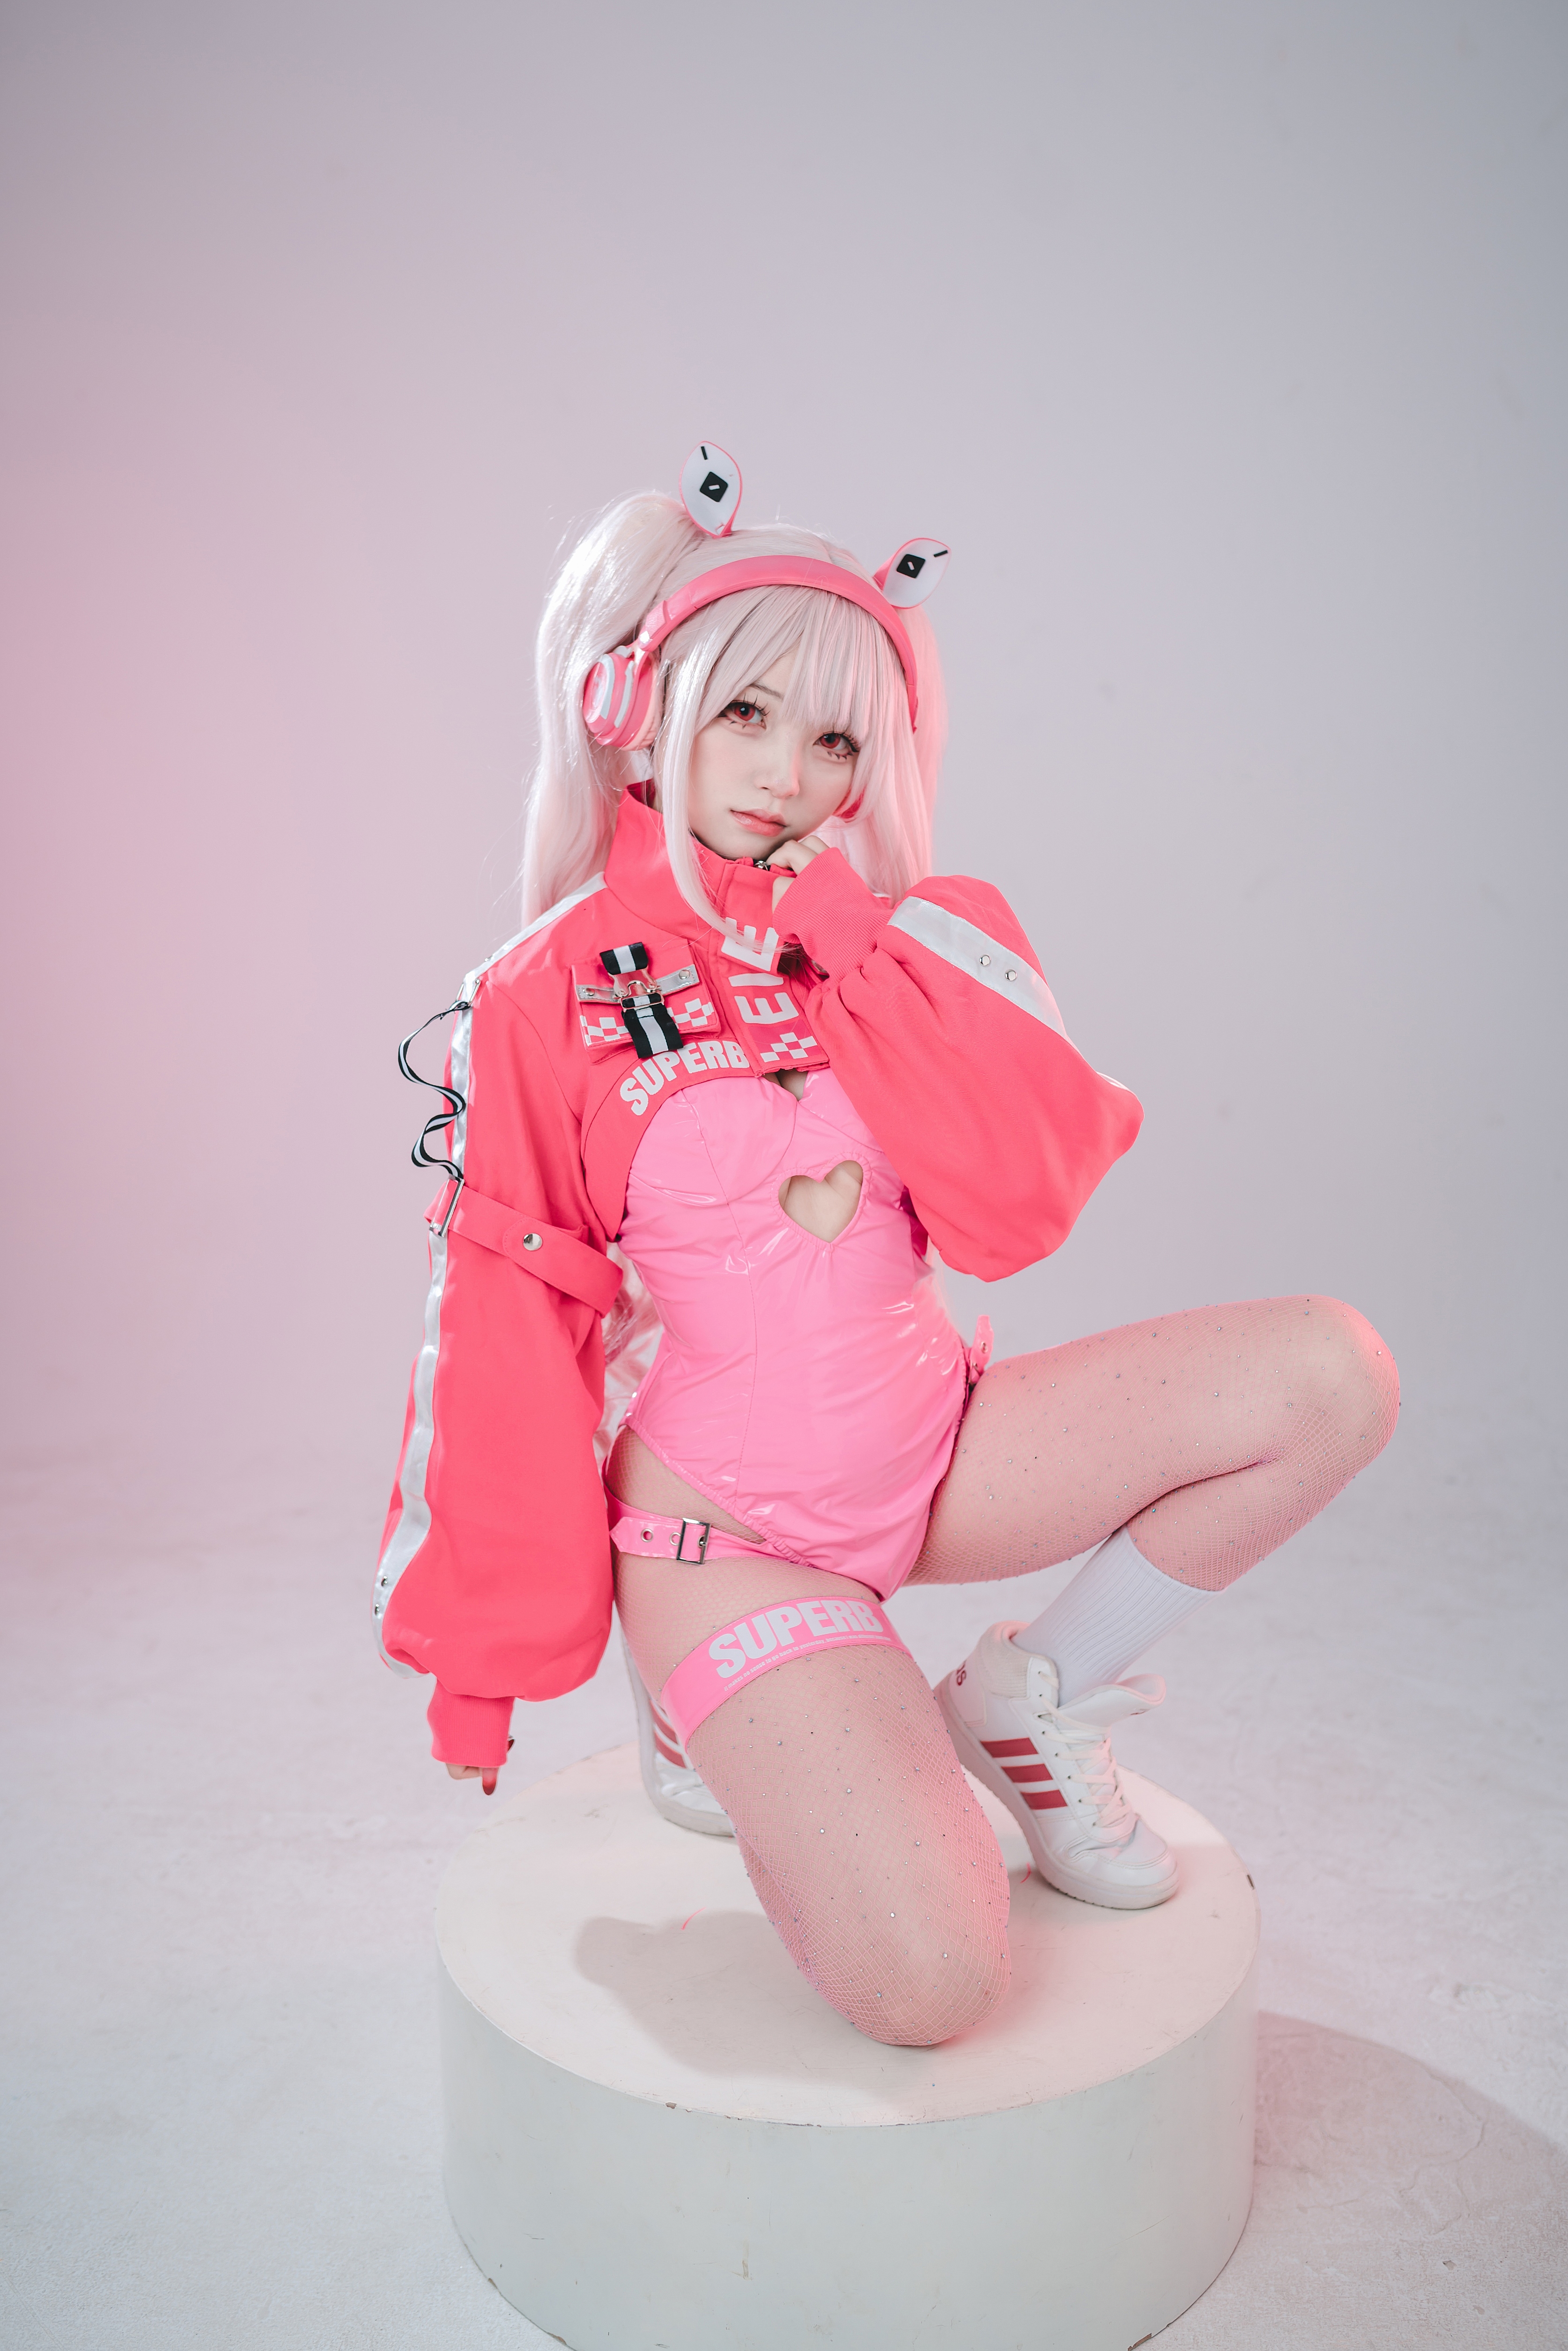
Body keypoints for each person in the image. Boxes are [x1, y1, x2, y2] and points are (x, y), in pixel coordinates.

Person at [375, 446, 1398, 2049]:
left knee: (1329, 1375)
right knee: (931, 1988)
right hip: (728, 1539)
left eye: (835, 736)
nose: (786, 773)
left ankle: (1027, 1700)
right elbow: (509, 1325)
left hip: (937, 1449)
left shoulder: (910, 942)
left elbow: (1016, 1211)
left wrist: (854, 942)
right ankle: (729, 1708)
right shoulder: (538, 991)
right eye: (745, 713)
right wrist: (480, 1665)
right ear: (643, 706)